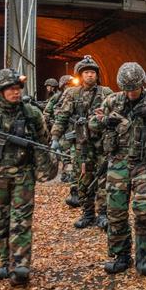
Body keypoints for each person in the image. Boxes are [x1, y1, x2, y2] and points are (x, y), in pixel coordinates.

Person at [90, 62, 146, 275]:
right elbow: (92, 122)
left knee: (144, 210)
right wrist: (105, 122)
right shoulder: (112, 101)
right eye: (127, 90)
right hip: (117, 164)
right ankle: (121, 256)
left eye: (134, 89)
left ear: (142, 85)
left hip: (143, 163)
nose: (130, 94)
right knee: (116, 213)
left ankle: (143, 255)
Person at [0, 69, 57, 286]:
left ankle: (20, 265)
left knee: (21, 218)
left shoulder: (31, 113)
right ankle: (5, 261)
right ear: (0, 91)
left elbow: (43, 140)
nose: (16, 92)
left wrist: (41, 166)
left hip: (23, 174)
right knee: (2, 218)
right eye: (11, 88)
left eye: (18, 88)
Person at [50, 55, 113, 229]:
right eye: (86, 73)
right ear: (80, 75)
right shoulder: (72, 93)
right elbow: (62, 116)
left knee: (103, 178)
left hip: (101, 144)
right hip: (82, 144)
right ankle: (87, 213)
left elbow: (116, 113)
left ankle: (103, 214)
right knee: (83, 179)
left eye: (92, 72)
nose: (90, 75)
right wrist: (55, 137)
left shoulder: (106, 93)